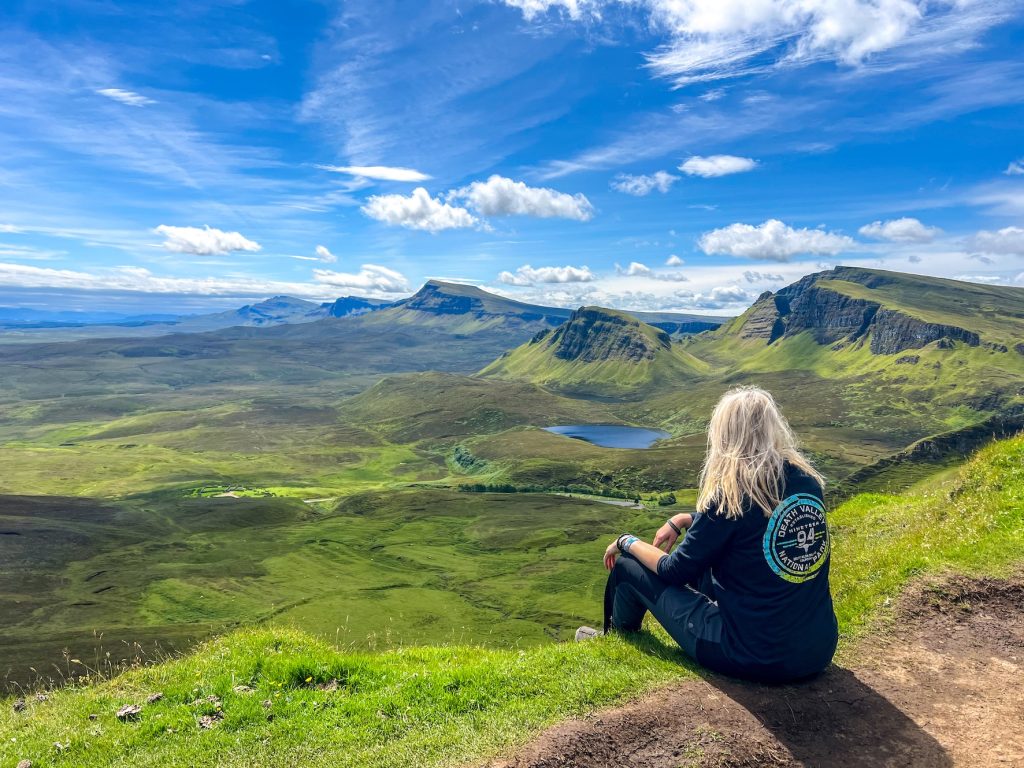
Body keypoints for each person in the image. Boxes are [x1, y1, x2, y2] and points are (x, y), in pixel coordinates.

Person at [576, 386, 838, 683]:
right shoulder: (806, 482)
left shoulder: (732, 496)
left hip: (752, 655)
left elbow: (673, 571)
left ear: (725, 435)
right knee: (709, 567)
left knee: (626, 566)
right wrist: (688, 518)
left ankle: (616, 639)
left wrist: (627, 541)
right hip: (817, 649)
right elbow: (753, 526)